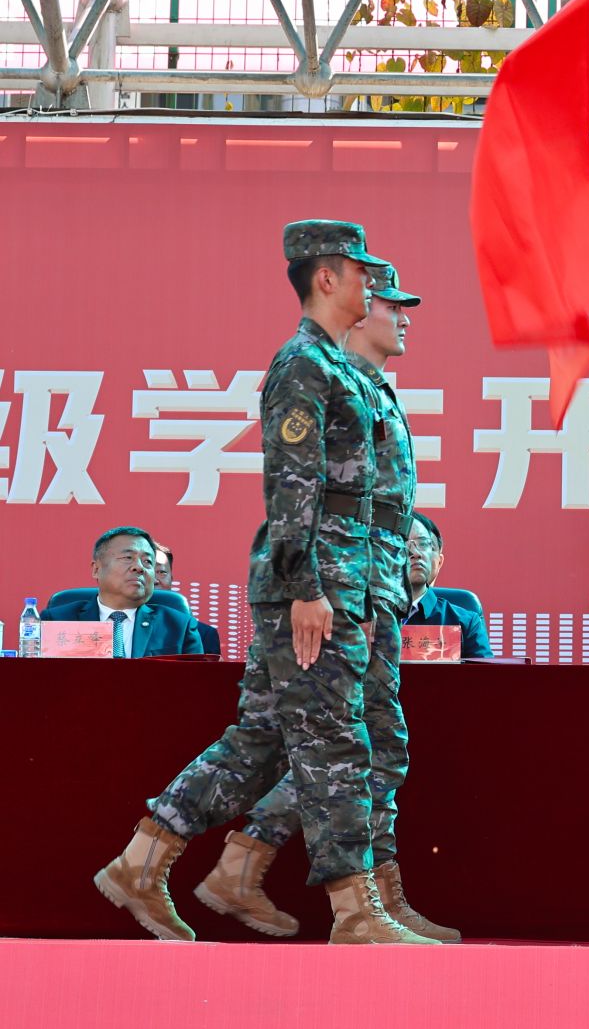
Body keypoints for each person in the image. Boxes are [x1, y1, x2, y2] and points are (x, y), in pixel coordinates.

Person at [94, 221, 429, 944]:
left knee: (268, 739)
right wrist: (307, 588)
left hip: (342, 582)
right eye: (362, 272)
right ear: (327, 277)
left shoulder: (338, 367)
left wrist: (363, 592)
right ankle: (355, 912)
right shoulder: (303, 364)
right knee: (335, 744)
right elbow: (291, 487)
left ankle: (141, 862)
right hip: (314, 587)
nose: (373, 286)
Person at [201, 264, 455, 944]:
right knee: (332, 746)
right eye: (391, 304)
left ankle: (372, 896)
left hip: (367, 586)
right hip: (331, 588)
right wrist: (318, 591)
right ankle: (285, 879)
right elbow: (302, 497)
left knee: (376, 745)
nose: (403, 316)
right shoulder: (324, 379)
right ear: (358, 308)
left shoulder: (372, 388)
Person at [40, 527, 204, 658]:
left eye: (147, 561)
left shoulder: (179, 627)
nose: (139, 567)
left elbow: (195, 685)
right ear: (96, 569)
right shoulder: (56, 621)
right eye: (128, 558)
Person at [399, 514, 492, 658]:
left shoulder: (464, 623)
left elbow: (485, 673)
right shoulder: (365, 616)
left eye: (423, 544)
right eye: (404, 543)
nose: (416, 553)